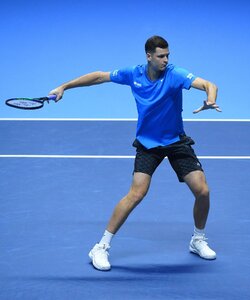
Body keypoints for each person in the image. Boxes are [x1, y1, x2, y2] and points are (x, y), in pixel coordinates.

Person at [49, 35, 221, 271]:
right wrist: (64, 87)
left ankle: (198, 239)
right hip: (148, 143)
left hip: (175, 140)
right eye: (161, 56)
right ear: (148, 56)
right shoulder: (134, 74)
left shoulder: (175, 74)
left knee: (202, 190)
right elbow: (100, 76)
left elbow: (209, 84)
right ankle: (101, 247)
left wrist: (210, 99)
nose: (166, 60)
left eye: (168, 55)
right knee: (137, 193)